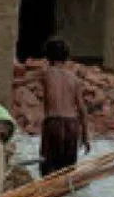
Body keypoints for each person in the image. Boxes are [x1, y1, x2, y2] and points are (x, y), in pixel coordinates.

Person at [39, 38, 91, 176]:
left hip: (53, 123)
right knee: (67, 173)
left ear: (47, 57)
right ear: (66, 57)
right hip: (72, 125)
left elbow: (18, 81)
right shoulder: (74, 79)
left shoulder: (45, 73)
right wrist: (85, 137)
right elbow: (83, 110)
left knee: (48, 171)